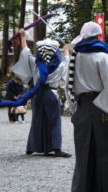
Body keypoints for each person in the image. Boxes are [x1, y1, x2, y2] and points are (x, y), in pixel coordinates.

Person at [66, 21, 108, 192]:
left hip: (82, 108)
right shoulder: (102, 57)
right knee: (106, 155)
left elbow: (69, 88)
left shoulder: (74, 58)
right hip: (102, 108)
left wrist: (76, 111)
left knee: (83, 156)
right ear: (98, 36)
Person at [12, 29, 71, 158]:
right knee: (55, 121)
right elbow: (67, 62)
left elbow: (26, 52)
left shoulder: (35, 63)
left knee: (37, 119)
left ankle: (31, 148)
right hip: (51, 93)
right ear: (55, 52)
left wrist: (23, 37)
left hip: (37, 93)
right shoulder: (59, 66)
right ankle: (56, 148)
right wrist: (66, 50)